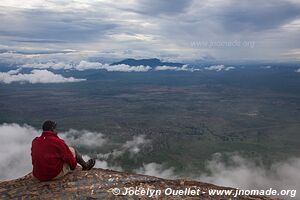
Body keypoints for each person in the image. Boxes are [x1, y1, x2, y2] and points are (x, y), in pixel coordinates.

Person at [31, 120, 96, 181]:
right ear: (52, 129)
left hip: (38, 175)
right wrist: (72, 166)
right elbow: (70, 161)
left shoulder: (35, 141)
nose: (57, 131)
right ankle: (85, 166)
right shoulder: (58, 142)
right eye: (56, 129)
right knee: (72, 150)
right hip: (52, 175)